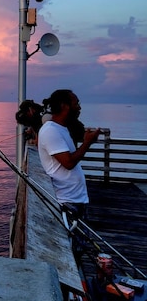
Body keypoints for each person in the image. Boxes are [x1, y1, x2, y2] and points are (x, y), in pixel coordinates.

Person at [37, 89, 100, 220]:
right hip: (67, 202)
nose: (79, 107)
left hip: (76, 199)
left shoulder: (61, 128)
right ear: (64, 106)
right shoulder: (50, 131)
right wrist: (87, 142)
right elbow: (69, 163)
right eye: (76, 103)